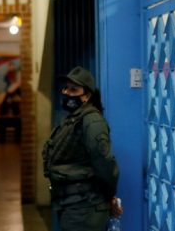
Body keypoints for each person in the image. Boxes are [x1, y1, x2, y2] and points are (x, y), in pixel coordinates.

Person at [42, 66, 122, 231]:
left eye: (74, 90)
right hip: (72, 206)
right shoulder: (73, 119)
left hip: (85, 209)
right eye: (66, 88)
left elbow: (104, 164)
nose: (67, 93)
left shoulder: (92, 121)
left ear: (87, 96)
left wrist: (109, 196)